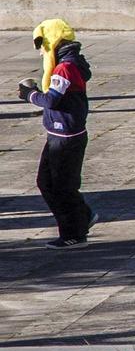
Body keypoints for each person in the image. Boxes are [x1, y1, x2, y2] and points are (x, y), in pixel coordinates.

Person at [18, 19, 95, 247]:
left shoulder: (65, 67)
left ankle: (74, 233)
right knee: (47, 182)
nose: (41, 51)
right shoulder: (68, 62)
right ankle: (84, 217)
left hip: (66, 138)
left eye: (42, 44)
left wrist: (29, 94)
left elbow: (51, 99)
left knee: (61, 187)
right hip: (59, 134)